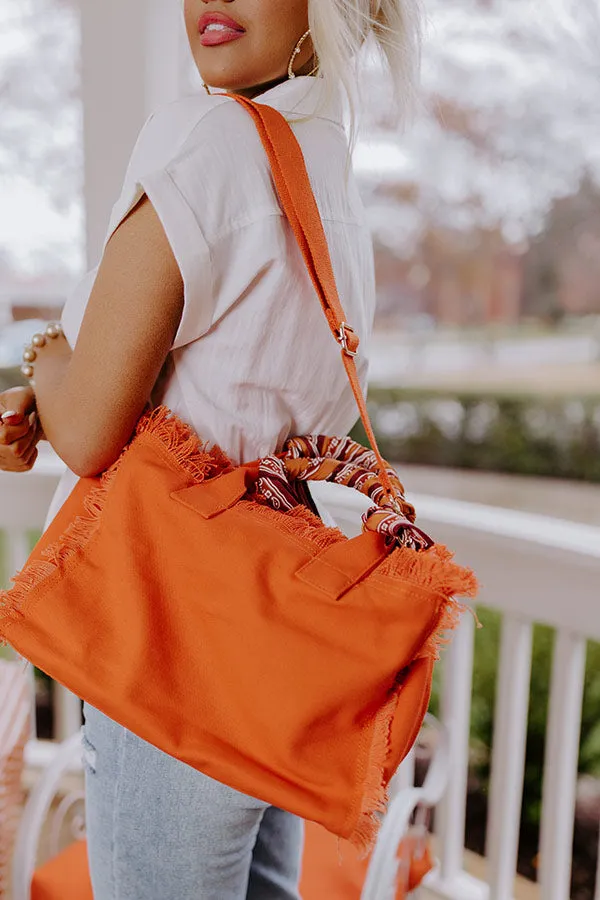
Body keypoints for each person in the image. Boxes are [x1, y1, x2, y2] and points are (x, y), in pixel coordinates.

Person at [0, 1, 421, 897]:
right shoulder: (329, 169)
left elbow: (84, 433)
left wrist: (46, 358)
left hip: (171, 638)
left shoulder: (209, 138)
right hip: (266, 647)